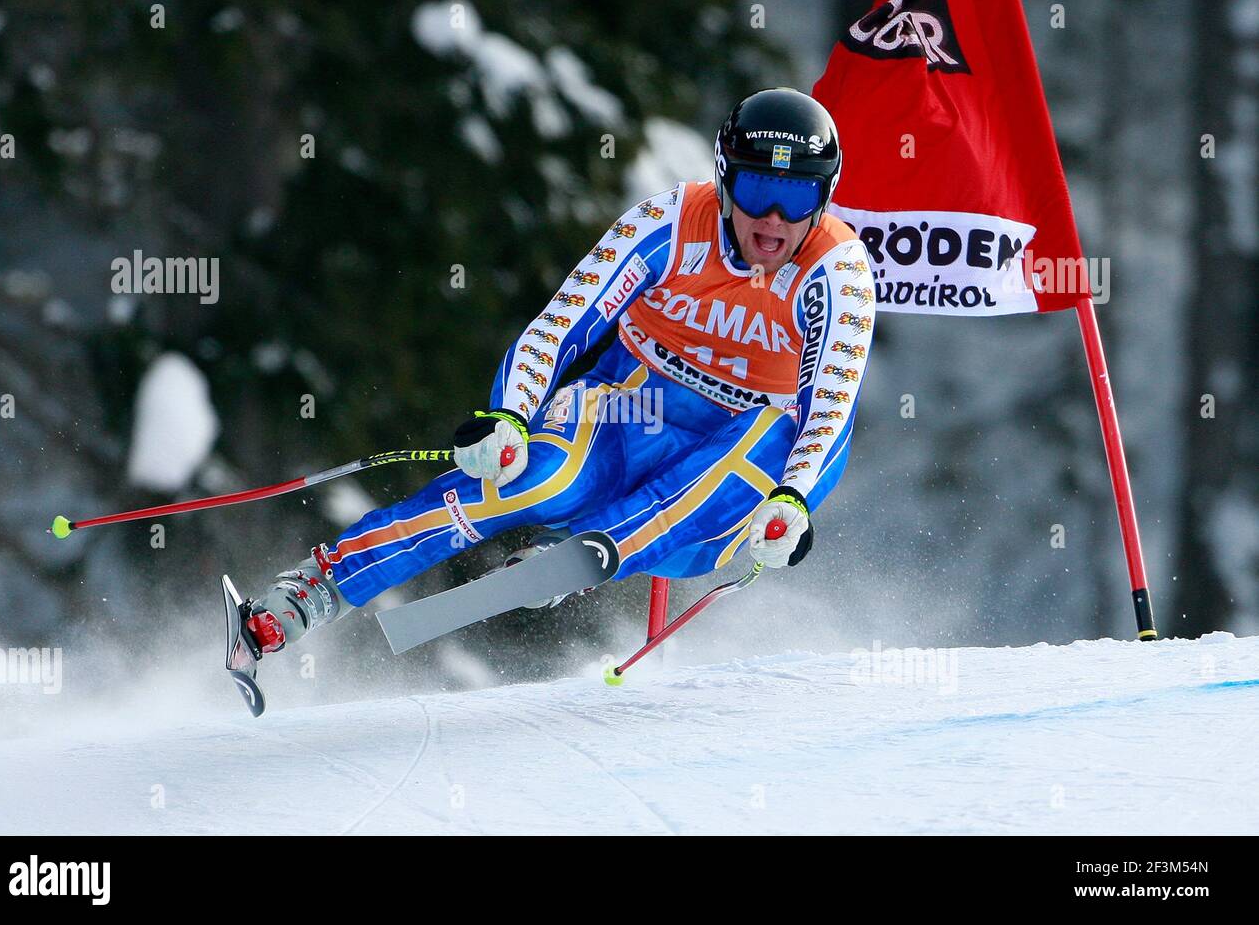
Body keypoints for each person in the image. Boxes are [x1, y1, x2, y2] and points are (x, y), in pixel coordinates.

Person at [240, 87, 877, 656]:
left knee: (742, 455)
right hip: (639, 403)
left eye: (796, 198)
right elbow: (562, 325)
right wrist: (510, 416)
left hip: (755, 434)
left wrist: (793, 498)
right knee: (534, 478)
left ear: (823, 199)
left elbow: (830, 404)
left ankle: (583, 551)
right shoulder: (672, 223)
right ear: (724, 179)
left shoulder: (838, 270)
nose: (773, 220)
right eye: (757, 190)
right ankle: (318, 587)